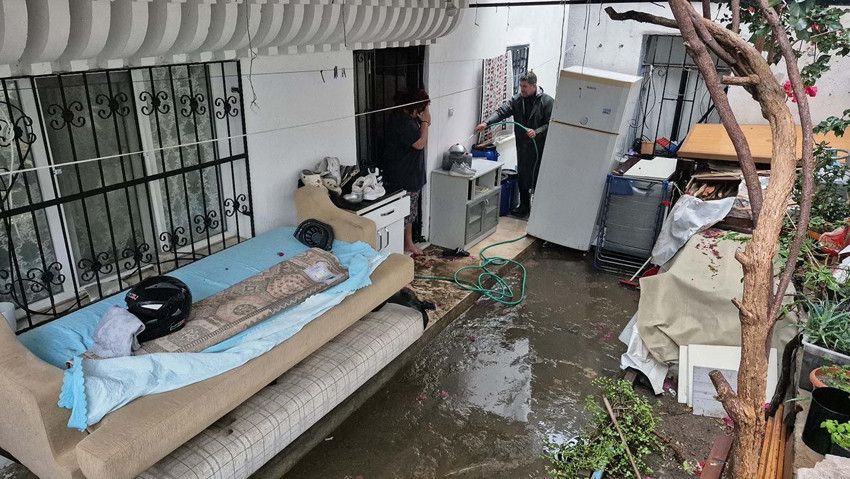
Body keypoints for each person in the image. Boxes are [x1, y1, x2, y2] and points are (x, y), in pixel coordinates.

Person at [475, 71, 554, 217]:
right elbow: (502, 111)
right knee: (523, 175)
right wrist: (486, 123)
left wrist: (537, 131)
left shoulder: (547, 102)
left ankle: (539, 211)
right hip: (523, 146)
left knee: (538, 176)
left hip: (539, 147)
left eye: (525, 86)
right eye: (521, 86)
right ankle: (524, 206)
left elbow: (551, 124)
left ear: (534, 86)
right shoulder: (517, 100)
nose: (522, 89)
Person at [382, 89, 431, 256]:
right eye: (422, 108)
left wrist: (424, 117)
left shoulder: (407, 118)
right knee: (405, 212)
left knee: (410, 211)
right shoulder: (402, 122)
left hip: (411, 173)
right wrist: (425, 122)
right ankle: (405, 244)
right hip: (404, 175)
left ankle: (408, 243)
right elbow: (420, 143)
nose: (424, 112)